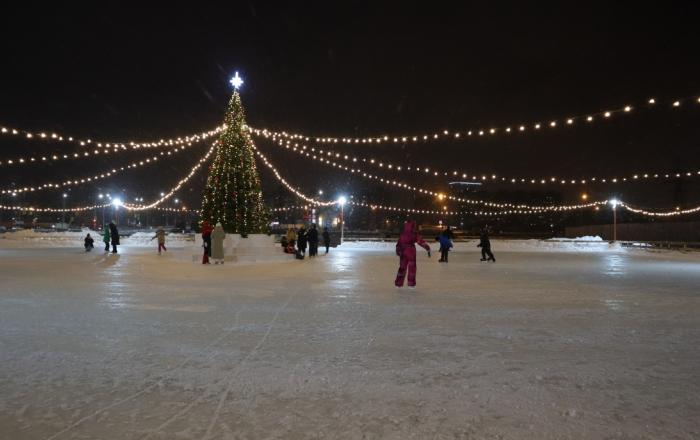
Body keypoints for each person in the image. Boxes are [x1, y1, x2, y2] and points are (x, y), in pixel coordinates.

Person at [395, 220, 431, 288]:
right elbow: (420, 241)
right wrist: (427, 247)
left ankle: (398, 283)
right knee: (412, 268)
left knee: (402, 267)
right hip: (411, 252)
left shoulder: (402, 234)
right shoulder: (414, 233)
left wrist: (398, 251)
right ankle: (411, 283)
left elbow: (398, 243)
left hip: (403, 251)